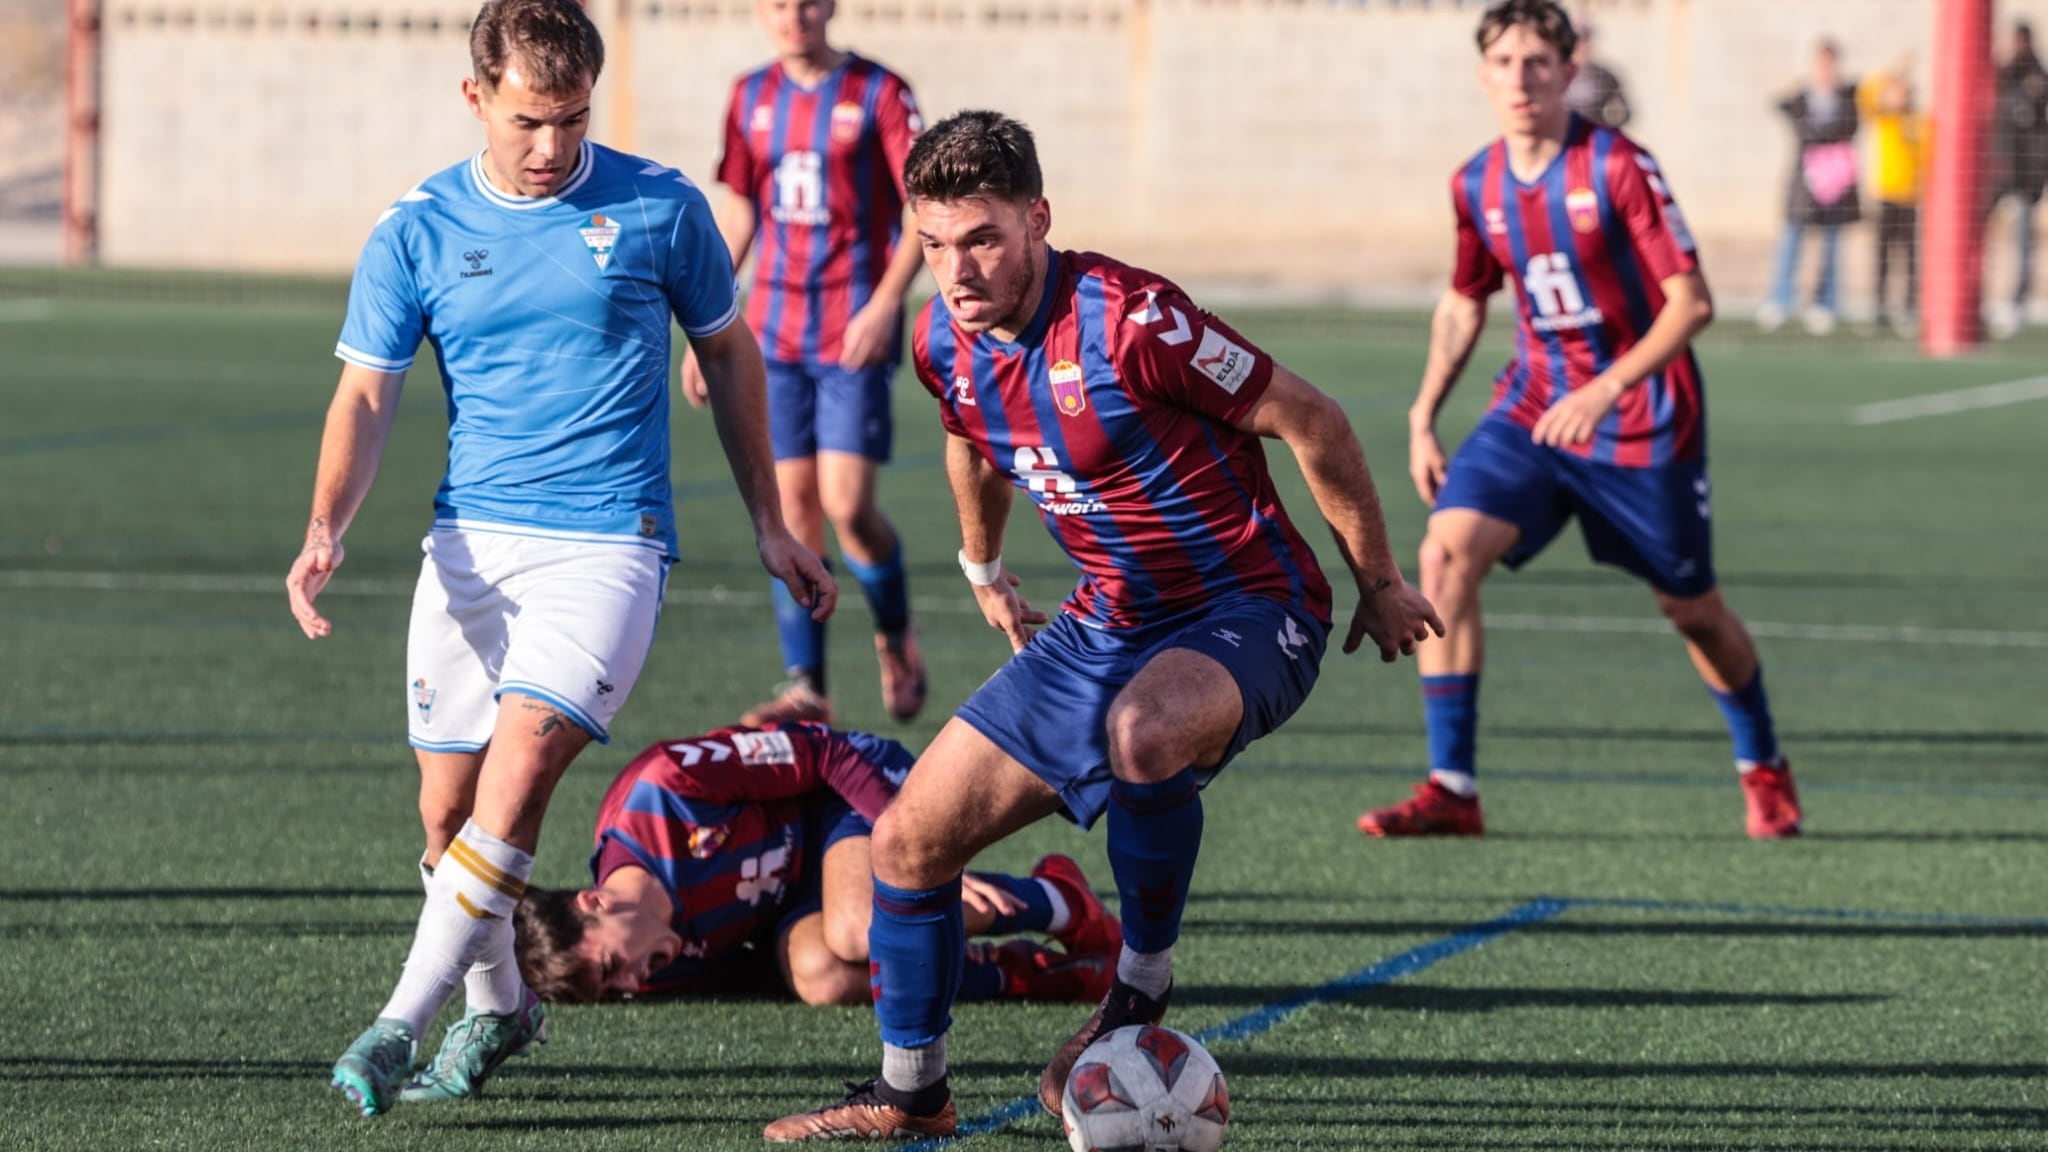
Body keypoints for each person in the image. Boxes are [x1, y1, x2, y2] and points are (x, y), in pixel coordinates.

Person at [760, 109, 1441, 1141]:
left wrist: (1378, 581)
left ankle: (1136, 990)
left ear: (1037, 219)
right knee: (905, 842)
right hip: (1104, 622)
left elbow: (1315, 421)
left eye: (982, 237)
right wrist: (982, 565)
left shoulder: (1131, 320)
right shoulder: (942, 336)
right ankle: (911, 1095)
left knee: (1144, 732)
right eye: (935, 244)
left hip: (1249, 604)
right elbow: (970, 443)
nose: (957, 269)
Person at [285, 0, 835, 1118]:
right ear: (475, 97)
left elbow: (727, 357)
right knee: (444, 823)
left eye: (573, 119)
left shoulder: (658, 207)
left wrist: (771, 520)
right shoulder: (417, 229)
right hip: (470, 547)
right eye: (530, 121)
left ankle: (398, 1023)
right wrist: (324, 528)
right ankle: (500, 1005)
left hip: (609, 545)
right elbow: (365, 391)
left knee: (517, 782)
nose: (551, 148)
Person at [1355, 0, 1802, 841]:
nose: (1521, 78)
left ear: (1568, 70)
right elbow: (1464, 300)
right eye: (1504, 62)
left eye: (1538, 63)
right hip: (1531, 404)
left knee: (1694, 611)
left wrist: (1604, 389)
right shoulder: (1476, 181)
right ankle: (1453, 786)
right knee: (1444, 553)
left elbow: (1692, 304)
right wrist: (1423, 414)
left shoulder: (1621, 168)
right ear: (1483, 73)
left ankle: (1763, 764)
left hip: (1639, 419)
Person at [682, 0, 929, 726]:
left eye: (808, 2)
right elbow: (742, 214)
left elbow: (920, 210)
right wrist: (709, 321)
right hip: (773, 335)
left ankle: (893, 633)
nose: (794, 16)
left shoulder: (881, 92)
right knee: (792, 513)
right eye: (778, 4)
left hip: (850, 328)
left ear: (832, 7)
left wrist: (886, 303)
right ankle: (808, 688)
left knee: (849, 508)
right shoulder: (748, 96)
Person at [505, 722, 1119, 1014]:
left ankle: (1059, 898)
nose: (632, 985)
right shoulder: (653, 961)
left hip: (847, 799)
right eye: (615, 991)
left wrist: (914, 848)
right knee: (822, 975)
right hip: (797, 893)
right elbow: (753, 973)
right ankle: (1028, 974)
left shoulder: (665, 790)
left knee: (856, 928)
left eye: (613, 967)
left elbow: (824, 752)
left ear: (594, 901)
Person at [1758, 38, 1862, 336]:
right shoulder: (1802, 97)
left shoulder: (1847, 96)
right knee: (1792, 239)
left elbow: (1850, 126)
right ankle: (1780, 299)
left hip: (1836, 181)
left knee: (1831, 243)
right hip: (1805, 182)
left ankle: (1825, 303)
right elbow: (1784, 110)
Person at [1857, 59, 1927, 335]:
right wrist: (1894, 72)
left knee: (1910, 257)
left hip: (1911, 198)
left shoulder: (1919, 121)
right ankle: (1879, 307)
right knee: (1883, 255)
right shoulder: (1884, 118)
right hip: (1886, 196)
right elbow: (1866, 93)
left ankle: (1909, 306)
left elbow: (1929, 154)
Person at [1991, 21, 2048, 338]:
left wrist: (2036, 177)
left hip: (2025, 179)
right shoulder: (2000, 77)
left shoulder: (2039, 80)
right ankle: (1983, 298)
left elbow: (2040, 138)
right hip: (1997, 175)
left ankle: (2016, 304)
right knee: (1982, 237)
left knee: (2023, 243)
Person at [1564, 19, 1631, 130]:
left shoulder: (1604, 76)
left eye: (1584, 39)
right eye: (1575, 40)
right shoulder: (1557, 74)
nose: (1579, 45)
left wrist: (1611, 118)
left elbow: (1624, 113)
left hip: (1595, 138)